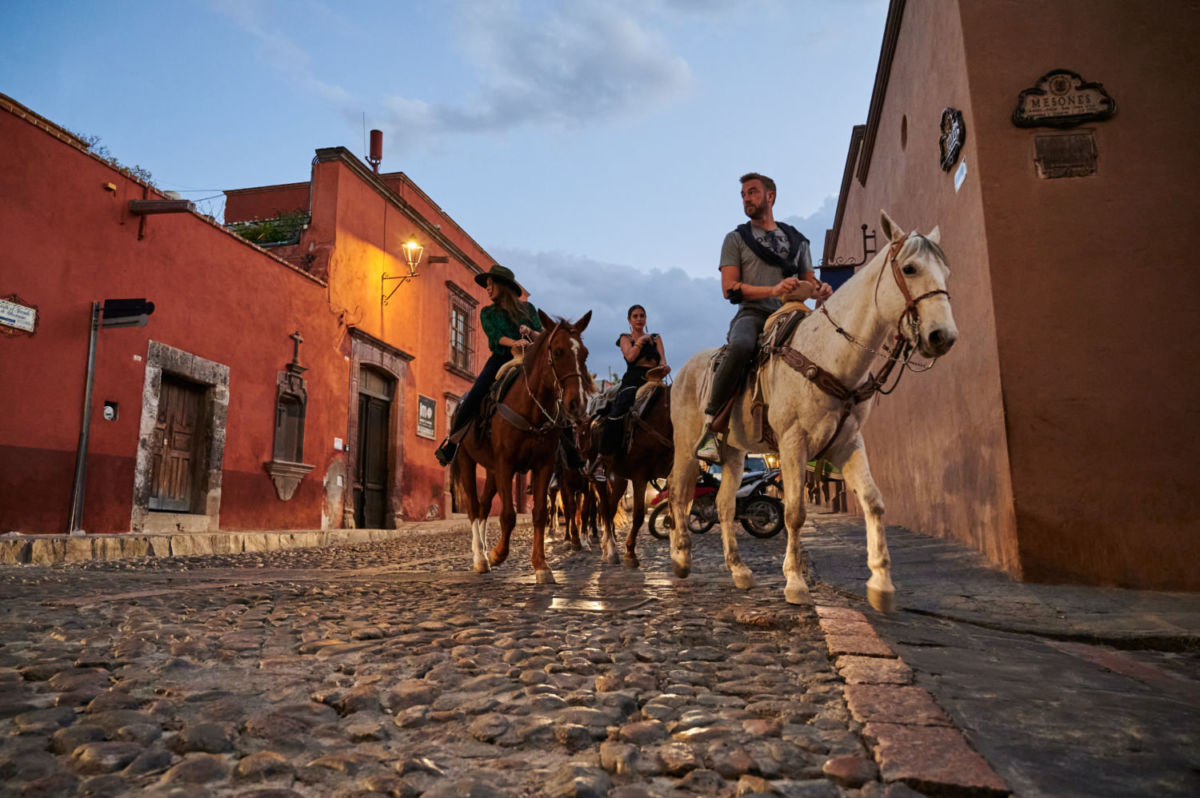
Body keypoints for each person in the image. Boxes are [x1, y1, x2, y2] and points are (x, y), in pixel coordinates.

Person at [693, 172, 833, 463]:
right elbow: (729, 289)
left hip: (794, 313)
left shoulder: (797, 241)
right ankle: (711, 426)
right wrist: (773, 289)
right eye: (743, 194)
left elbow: (809, 280)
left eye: (753, 192)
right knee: (742, 347)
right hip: (753, 313)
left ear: (770, 196)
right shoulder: (736, 239)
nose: (747, 198)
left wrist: (820, 289)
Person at [434, 264, 541, 466]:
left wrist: (529, 332)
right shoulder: (487, 313)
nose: (488, 288)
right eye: (487, 285)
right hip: (502, 359)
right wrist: (514, 342)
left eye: (491, 284)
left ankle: (571, 452)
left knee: (556, 391)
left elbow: (540, 333)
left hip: (530, 359)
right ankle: (452, 444)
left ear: (503, 285)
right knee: (475, 394)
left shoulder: (528, 310)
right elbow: (495, 337)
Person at [600, 304, 670, 456]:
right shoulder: (625, 337)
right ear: (629, 320)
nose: (639, 319)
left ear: (645, 318)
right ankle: (605, 454)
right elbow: (630, 357)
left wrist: (664, 368)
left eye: (642, 316)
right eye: (635, 316)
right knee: (619, 408)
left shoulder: (656, 338)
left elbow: (662, 360)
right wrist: (641, 341)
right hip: (633, 379)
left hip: (654, 378)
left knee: (671, 402)